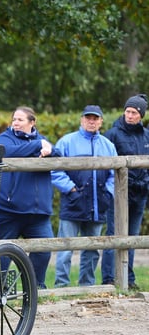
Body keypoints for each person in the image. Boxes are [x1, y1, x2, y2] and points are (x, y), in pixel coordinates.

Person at [0, 106, 60, 289]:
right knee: (0, 254)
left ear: (32, 122)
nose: (16, 123)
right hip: (8, 210)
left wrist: (49, 151)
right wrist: (37, 147)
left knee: (43, 250)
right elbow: (6, 151)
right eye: (14, 119)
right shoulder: (5, 138)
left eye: (20, 120)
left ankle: (34, 289)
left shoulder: (42, 140)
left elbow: (57, 155)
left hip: (37, 212)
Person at [51, 105, 117, 287]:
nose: (91, 121)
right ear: (81, 119)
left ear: (101, 121)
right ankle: (60, 286)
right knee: (65, 248)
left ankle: (87, 286)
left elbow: (115, 174)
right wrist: (72, 190)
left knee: (92, 249)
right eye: (88, 117)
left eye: (95, 118)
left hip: (98, 205)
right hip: (72, 204)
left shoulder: (108, 146)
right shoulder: (66, 142)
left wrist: (108, 194)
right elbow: (55, 171)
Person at [101, 93, 149, 290]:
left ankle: (128, 279)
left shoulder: (146, 136)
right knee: (115, 234)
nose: (129, 115)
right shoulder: (113, 134)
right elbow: (105, 163)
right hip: (119, 193)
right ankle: (109, 278)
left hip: (140, 193)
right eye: (127, 111)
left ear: (141, 115)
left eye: (134, 112)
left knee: (132, 236)